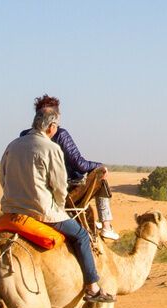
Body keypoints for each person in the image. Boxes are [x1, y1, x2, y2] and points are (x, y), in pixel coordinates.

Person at [0, 104, 110, 302]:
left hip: (10, 211)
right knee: (81, 235)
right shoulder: (51, 148)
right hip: (42, 212)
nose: (57, 128)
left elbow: (3, 178)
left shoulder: (12, 145)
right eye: (56, 125)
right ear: (51, 126)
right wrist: (59, 207)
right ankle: (92, 287)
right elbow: (59, 186)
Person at [35, 94, 117, 241]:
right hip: (65, 191)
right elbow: (80, 164)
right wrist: (100, 166)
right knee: (101, 175)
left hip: (35, 192)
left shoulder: (24, 136)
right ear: (55, 116)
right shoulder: (60, 134)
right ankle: (106, 226)